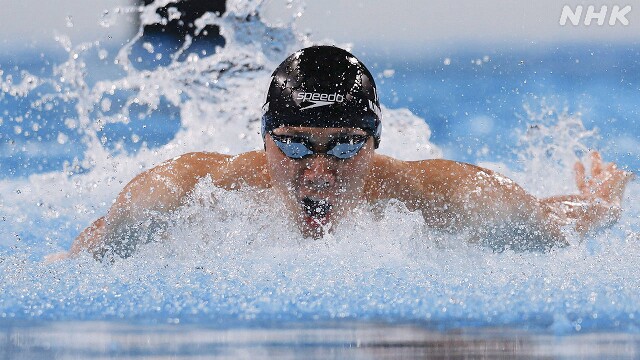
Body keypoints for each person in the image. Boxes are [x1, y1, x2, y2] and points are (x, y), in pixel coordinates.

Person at [47, 45, 634, 261]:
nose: (319, 170)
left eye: (346, 145)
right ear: (266, 139)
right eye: (296, 144)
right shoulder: (184, 190)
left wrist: (600, 208)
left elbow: (548, 226)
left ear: (375, 143)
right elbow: (83, 259)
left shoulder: (450, 197)